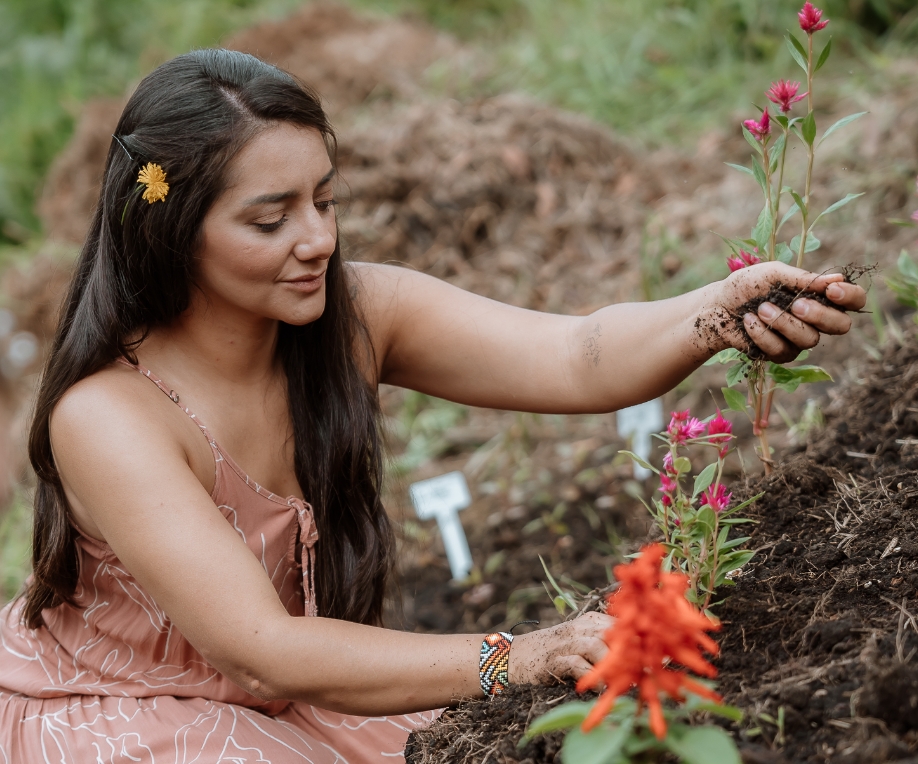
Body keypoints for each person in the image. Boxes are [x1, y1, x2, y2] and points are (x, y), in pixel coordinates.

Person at [0, 49, 865, 763]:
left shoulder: (354, 317)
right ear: (170, 228)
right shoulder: (109, 415)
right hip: (131, 712)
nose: (319, 239)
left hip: (291, 695)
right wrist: (514, 656)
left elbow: (576, 356)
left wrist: (715, 311)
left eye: (326, 199)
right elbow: (259, 649)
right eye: (271, 220)